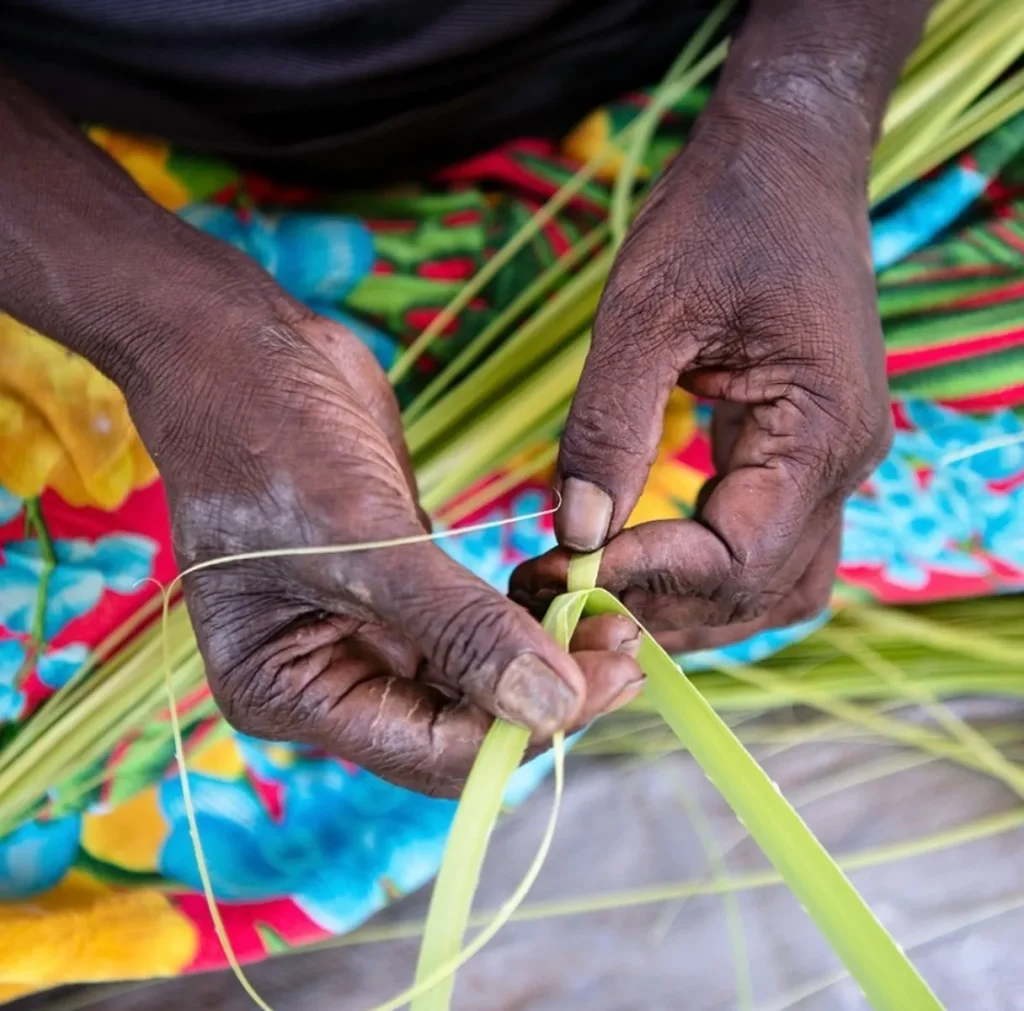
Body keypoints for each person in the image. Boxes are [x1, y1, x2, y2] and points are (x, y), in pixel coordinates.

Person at [0, 0, 929, 796]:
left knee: (858, 477)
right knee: (93, 645)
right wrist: (173, 331)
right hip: (77, 186)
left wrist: (807, 109)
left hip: (727, 80)